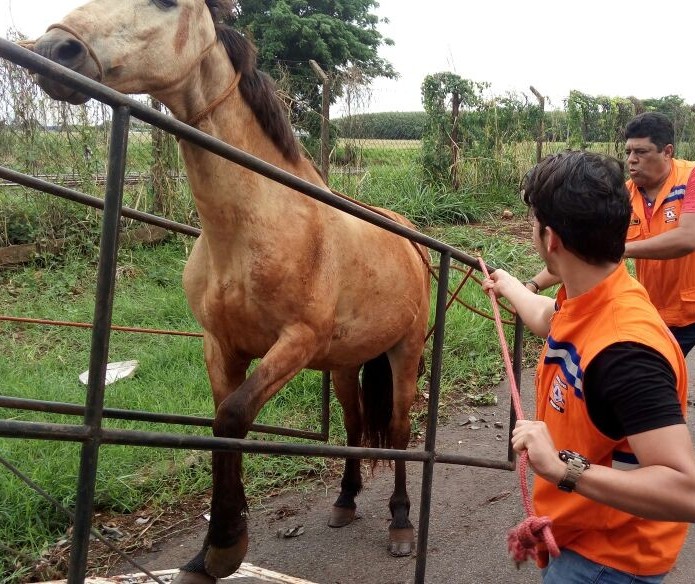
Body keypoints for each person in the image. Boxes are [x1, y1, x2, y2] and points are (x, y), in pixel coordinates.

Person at [483, 150, 695, 583]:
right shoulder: (598, 293)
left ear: (551, 238)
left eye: (533, 222)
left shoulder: (626, 352)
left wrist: (563, 469)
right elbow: (550, 319)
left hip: (606, 562)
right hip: (583, 536)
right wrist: (508, 285)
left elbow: (684, 490)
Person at [526, 112, 695, 356]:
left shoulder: (690, 178)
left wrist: (619, 250)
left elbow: (688, 238)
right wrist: (533, 284)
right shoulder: (623, 196)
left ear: (667, 152)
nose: (631, 160)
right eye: (628, 152)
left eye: (641, 152)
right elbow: (583, 248)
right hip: (659, 312)